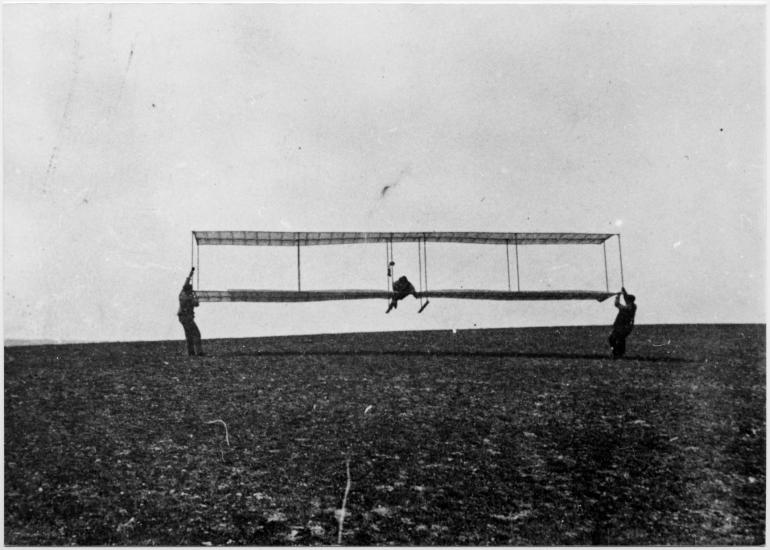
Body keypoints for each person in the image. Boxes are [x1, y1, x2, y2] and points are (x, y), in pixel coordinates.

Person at [178, 267, 204, 356]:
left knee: (188, 335)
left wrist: (191, 273)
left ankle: (191, 352)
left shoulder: (181, 294)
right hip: (188, 317)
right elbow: (196, 304)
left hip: (181, 317)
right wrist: (196, 299)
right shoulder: (189, 298)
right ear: (189, 291)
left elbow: (186, 283)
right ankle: (199, 352)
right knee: (196, 334)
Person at [608, 287, 636, 358]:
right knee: (620, 339)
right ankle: (620, 353)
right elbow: (626, 298)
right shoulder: (633, 306)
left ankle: (617, 353)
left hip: (622, 327)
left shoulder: (627, 308)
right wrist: (624, 291)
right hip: (627, 327)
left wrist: (618, 296)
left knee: (613, 339)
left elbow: (617, 304)